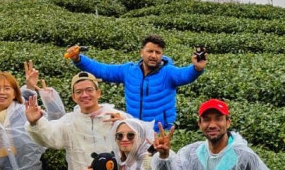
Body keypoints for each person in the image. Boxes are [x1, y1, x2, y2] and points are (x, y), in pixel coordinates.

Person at [65, 34, 206, 128]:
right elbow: (104, 70)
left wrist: (196, 68)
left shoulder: (168, 73)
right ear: (141, 52)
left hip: (159, 132)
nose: (154, 56)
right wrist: (78, 59)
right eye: (150, 51)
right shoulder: (129, 71)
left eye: (158, 52)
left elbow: (184, 75)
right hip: (132, 128)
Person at [25, 71, 125, 170]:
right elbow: (51, 136)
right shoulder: (69, 121)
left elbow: (139, 140)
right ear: (74, 97)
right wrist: (36, 122)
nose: (84, 95)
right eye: (79, 92)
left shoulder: (116, 116)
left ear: (98, 93)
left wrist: (124, 125)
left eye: (89, 90)